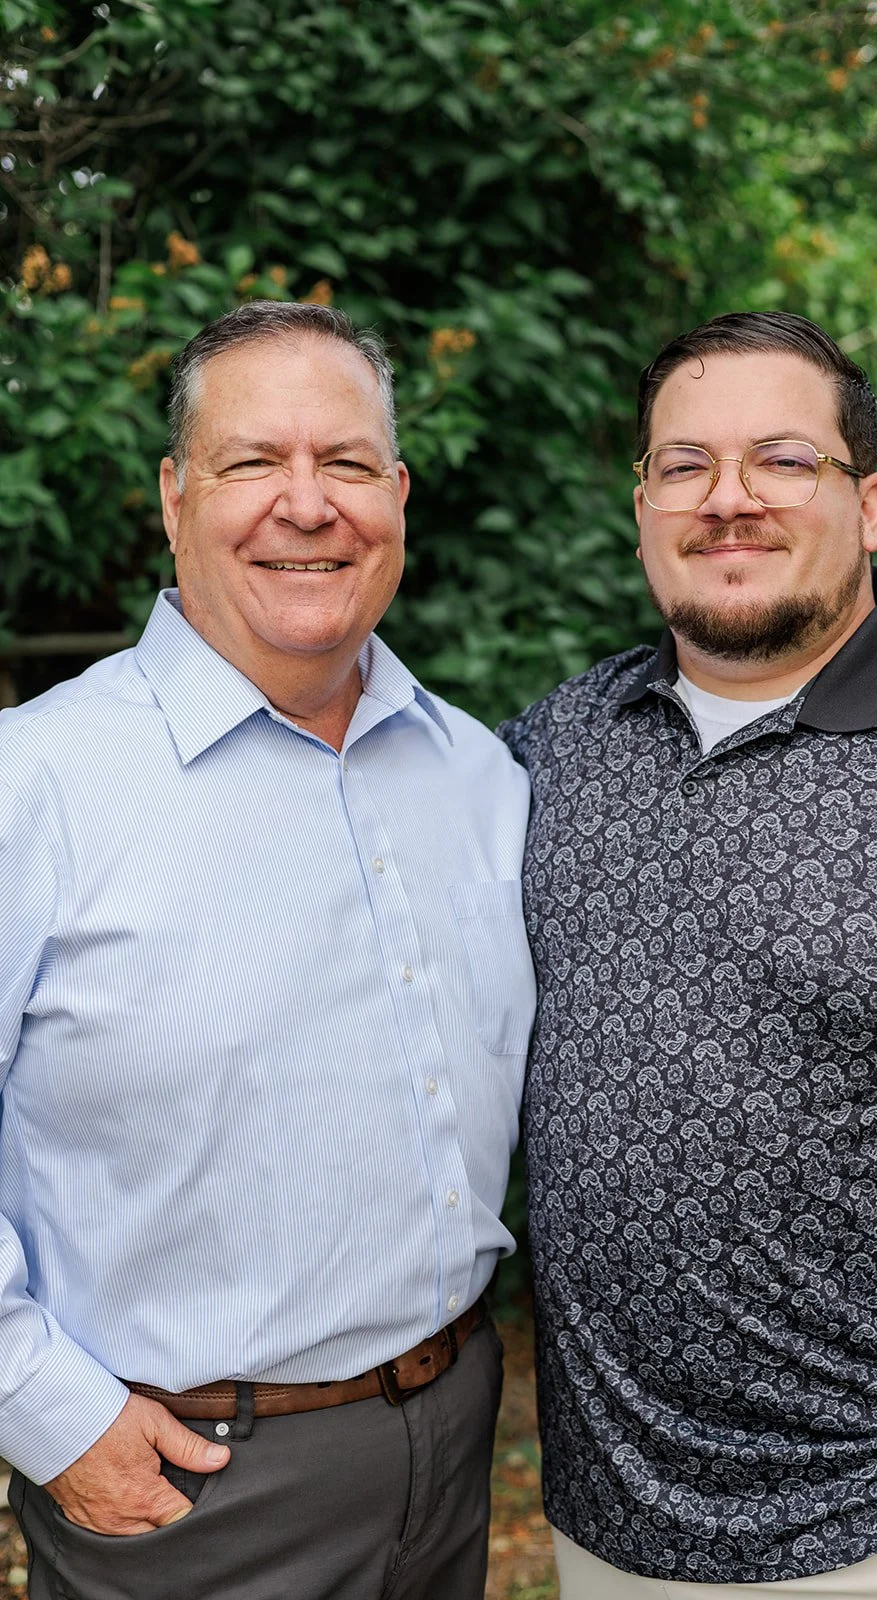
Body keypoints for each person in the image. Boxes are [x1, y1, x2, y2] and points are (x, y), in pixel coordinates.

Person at [500, 310, 877, 1600]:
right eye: (685, 464)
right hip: (607, 1539)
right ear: (642, 503)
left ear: (869, 504)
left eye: (781, 458)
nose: (729, 498)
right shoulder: (554, 753)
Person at [0, 300, 536, 1600]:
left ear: (398, 495)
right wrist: (44, 1409)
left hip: (453, 1438)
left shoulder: (479, 773)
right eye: (254, 463)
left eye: (346, 463)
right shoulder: (37, 783)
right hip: (192, 1489)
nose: (307, 505)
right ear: (174, 498)